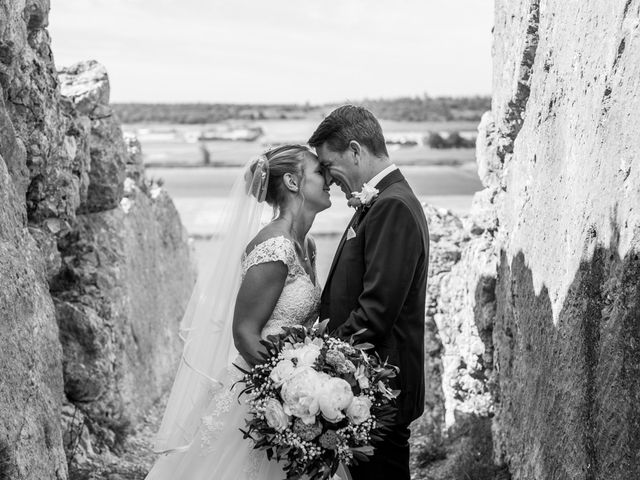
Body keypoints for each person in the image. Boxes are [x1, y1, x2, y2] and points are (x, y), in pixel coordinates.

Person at [145, 144, 332, 480]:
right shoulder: (275, 247)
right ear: (292, 181)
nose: (328, 178)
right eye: (320, 171)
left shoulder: (308, 245)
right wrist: (291, 387)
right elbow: (245, 333)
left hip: (295, 387)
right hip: (264, 392)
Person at [308, 105, 430, 480]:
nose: (329, 180)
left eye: (329, 166)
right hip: (369, 386)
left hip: (381, 390)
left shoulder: (391, 205)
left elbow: (375, 312)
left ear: (356, 151)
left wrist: (317, 364)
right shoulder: (382, 201)